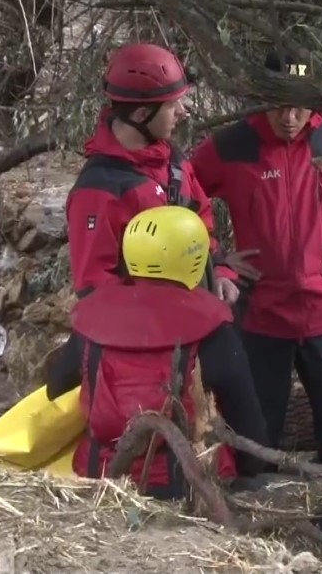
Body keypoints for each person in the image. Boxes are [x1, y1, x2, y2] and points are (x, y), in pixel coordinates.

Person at [188, 49, 322, 540]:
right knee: (254, 440)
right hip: (261, 318)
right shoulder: (234, 144)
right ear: (261, 98)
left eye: (300, 106)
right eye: (278, 105)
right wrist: (218, 259)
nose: (289, 118)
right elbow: (185, 195)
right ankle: (260, 538)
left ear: (316, 101)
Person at [47, 42, 240, 399]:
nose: (183, 111)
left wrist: (221, 271)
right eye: (173, 105)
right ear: (140, 115)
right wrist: (155, 340)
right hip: (149, 354)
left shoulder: (173, 163)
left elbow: (202, 221)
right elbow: (95, 291)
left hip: (195, 324)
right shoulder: (98, 192)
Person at [60, 205, 271, 495]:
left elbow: (55, 386)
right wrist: (249, 472)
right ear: (195, 259)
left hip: (98, 480)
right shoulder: (213, 327)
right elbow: (249, 427)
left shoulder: (94, 320)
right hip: (183, 485)